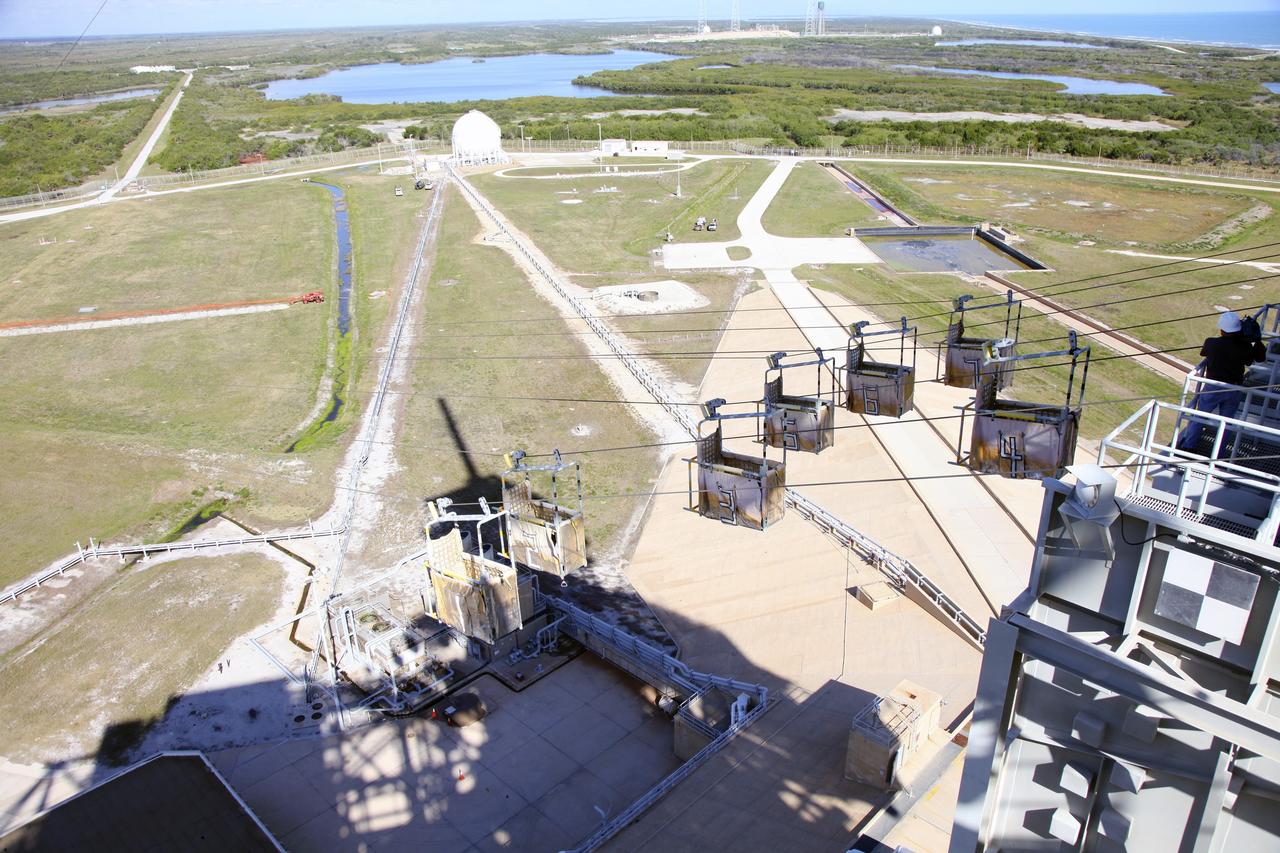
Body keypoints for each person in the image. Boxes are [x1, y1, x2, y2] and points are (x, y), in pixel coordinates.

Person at [1175, 311, 1266, 453]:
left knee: (1200, 417)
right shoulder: (1245, 347)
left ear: (1222, 329)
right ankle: (1219, 453)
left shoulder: (1211, 343)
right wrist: (1256, 340)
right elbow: (1258, 358)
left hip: (1213, 387)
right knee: (1226, 423)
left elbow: (1204, 353)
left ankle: (1188, 446)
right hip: (1234, 389)